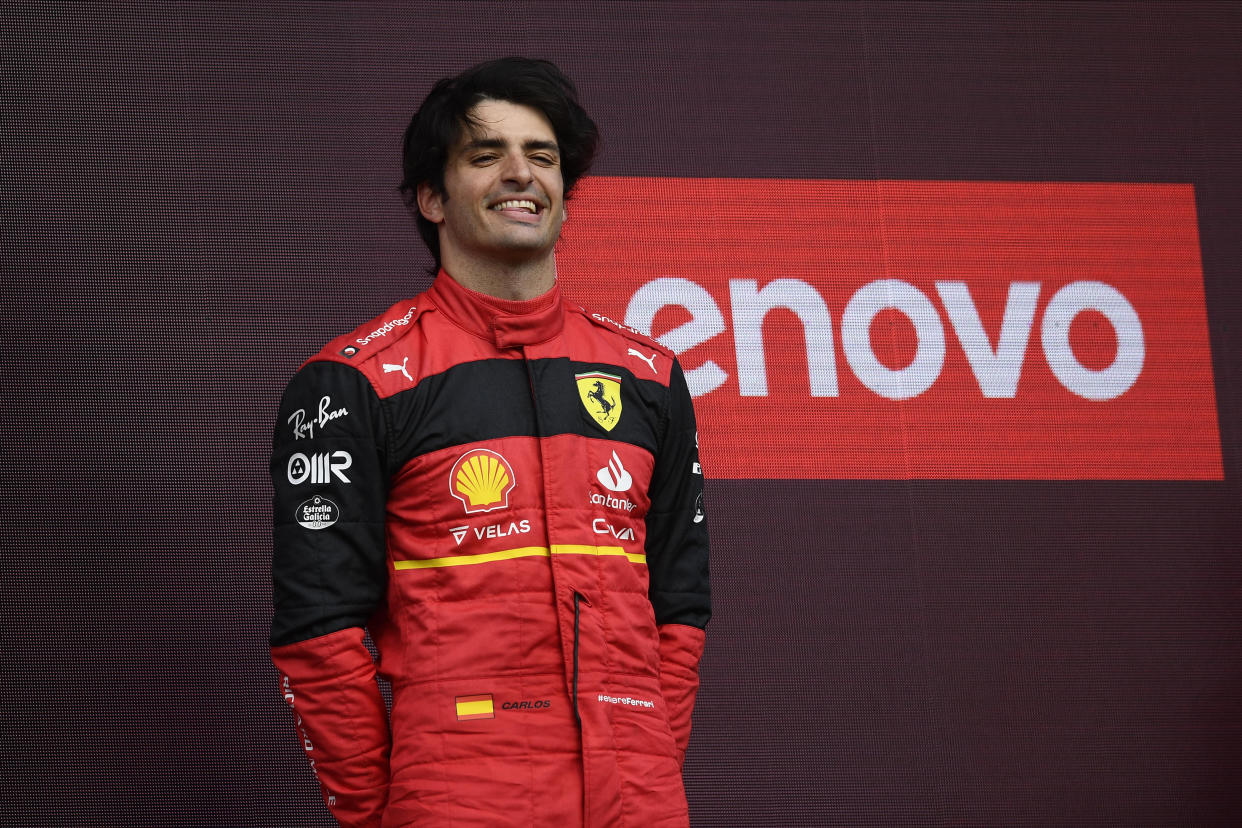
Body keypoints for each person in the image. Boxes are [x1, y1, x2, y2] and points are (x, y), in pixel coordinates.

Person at [269, 57, 711, 827]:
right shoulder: (355, 382)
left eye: (542, 156)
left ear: (567, 197)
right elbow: (319, 632)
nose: (521, 174)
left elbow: (680, 609)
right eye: (486, 156)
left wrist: (642, 753)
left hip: (638, 795)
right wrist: (380, 813)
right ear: (432, 198)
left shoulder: (649, 375)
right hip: (458, 789)